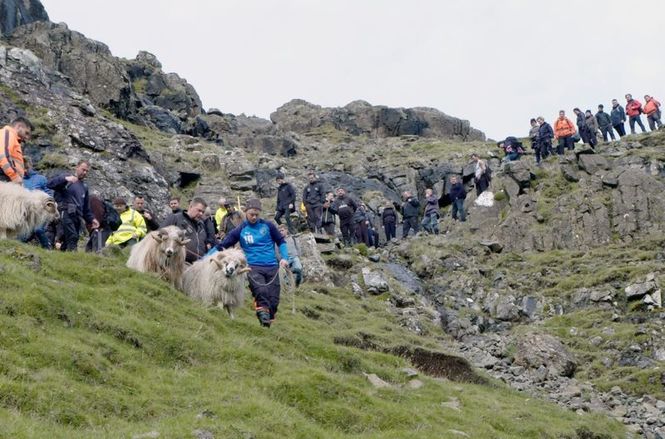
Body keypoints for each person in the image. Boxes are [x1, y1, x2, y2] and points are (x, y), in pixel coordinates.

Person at [216, 199, 289, 328]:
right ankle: (263, 318)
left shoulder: (269, 226)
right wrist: (207, 255)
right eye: (251, 214)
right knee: (261, 291)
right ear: (246, 213)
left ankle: (268, 325)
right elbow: (223, 245)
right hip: (253, 267)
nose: (254, 217)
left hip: (272, 266)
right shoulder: (241, 229)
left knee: (274, 300)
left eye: (257, 214)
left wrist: (284, 258)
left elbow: (281, 241)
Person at [47, 160, 99, 251]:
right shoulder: (66, 178)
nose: (85, 172)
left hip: (77, 216)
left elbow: (86, 209)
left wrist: (92, 219)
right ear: (77, 167)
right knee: (72, 237)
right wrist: (65, 179)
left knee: (69, 241)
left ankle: (65, 257)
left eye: (87, 171)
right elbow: (50, 184)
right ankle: (73, 255)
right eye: (83, 169)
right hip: (64, 212)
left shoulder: (84, 187)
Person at [161, 197, 207, 263]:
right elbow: (159, 234)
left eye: (203, 212)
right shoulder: (175, 218)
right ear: (190, 207)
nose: (201, 214)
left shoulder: (201, 225)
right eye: (199, 210)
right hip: (178, 263)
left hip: (198, 265)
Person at [21, 157, 52, 248]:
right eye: (23, 167)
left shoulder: (41, 179)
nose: (25, 170)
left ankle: (47, 247)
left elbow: (49, 194)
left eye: (27, 167)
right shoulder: (19, 180)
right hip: (25, 213)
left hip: (40, 212)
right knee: (21, 237)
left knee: (38, 229)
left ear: (31, 166)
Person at [0, 116, 33, 183]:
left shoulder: (13, 138)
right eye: (26, 133)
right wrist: (14, 176)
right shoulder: (7, 133)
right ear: (19, 126)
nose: (26, 137)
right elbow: (3, 155)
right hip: (4, 179)